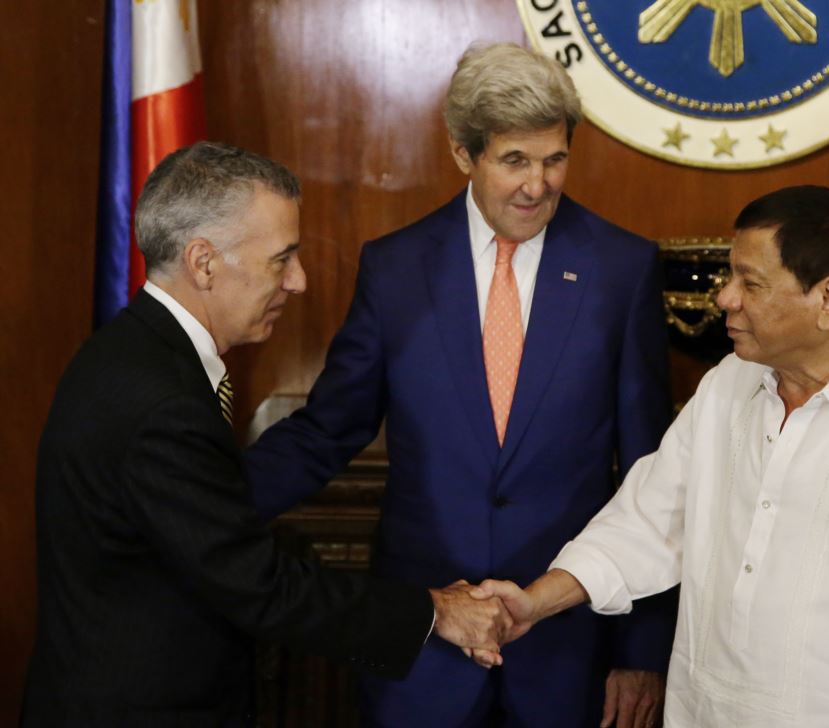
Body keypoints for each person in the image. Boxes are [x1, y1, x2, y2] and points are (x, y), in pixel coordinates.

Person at [471, 185, 829, 726]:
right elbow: (646, 525)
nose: (724, 297)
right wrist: (535, 602)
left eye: (749, 283)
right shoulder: (727, 386)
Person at [245, 43, 676, 727]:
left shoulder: (620, 269)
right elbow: (329, 430)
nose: (539, 185)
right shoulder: (395, 270)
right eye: (514, 161)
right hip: (423, 650)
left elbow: (656, 480)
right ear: (461, 153)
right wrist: (208, 503)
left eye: (555, 158)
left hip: (566, 653)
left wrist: (644, 650)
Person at [21, 141, 512, 727]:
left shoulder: (133, 354)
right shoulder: (161, 402)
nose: (299, 281)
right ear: (203, 263)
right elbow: (260, 586)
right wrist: (436, 611)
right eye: (282, 259)